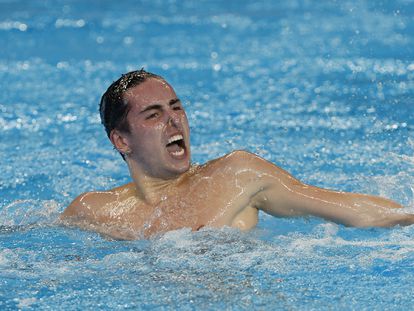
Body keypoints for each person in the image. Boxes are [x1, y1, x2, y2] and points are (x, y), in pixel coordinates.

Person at [60, 69, 414, 240]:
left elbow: (348, 209)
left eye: (176, 107)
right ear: (121, 141)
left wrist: (407, 215)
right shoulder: (94, 210)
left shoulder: (236, 175)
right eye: (153, 115)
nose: (173, 121)